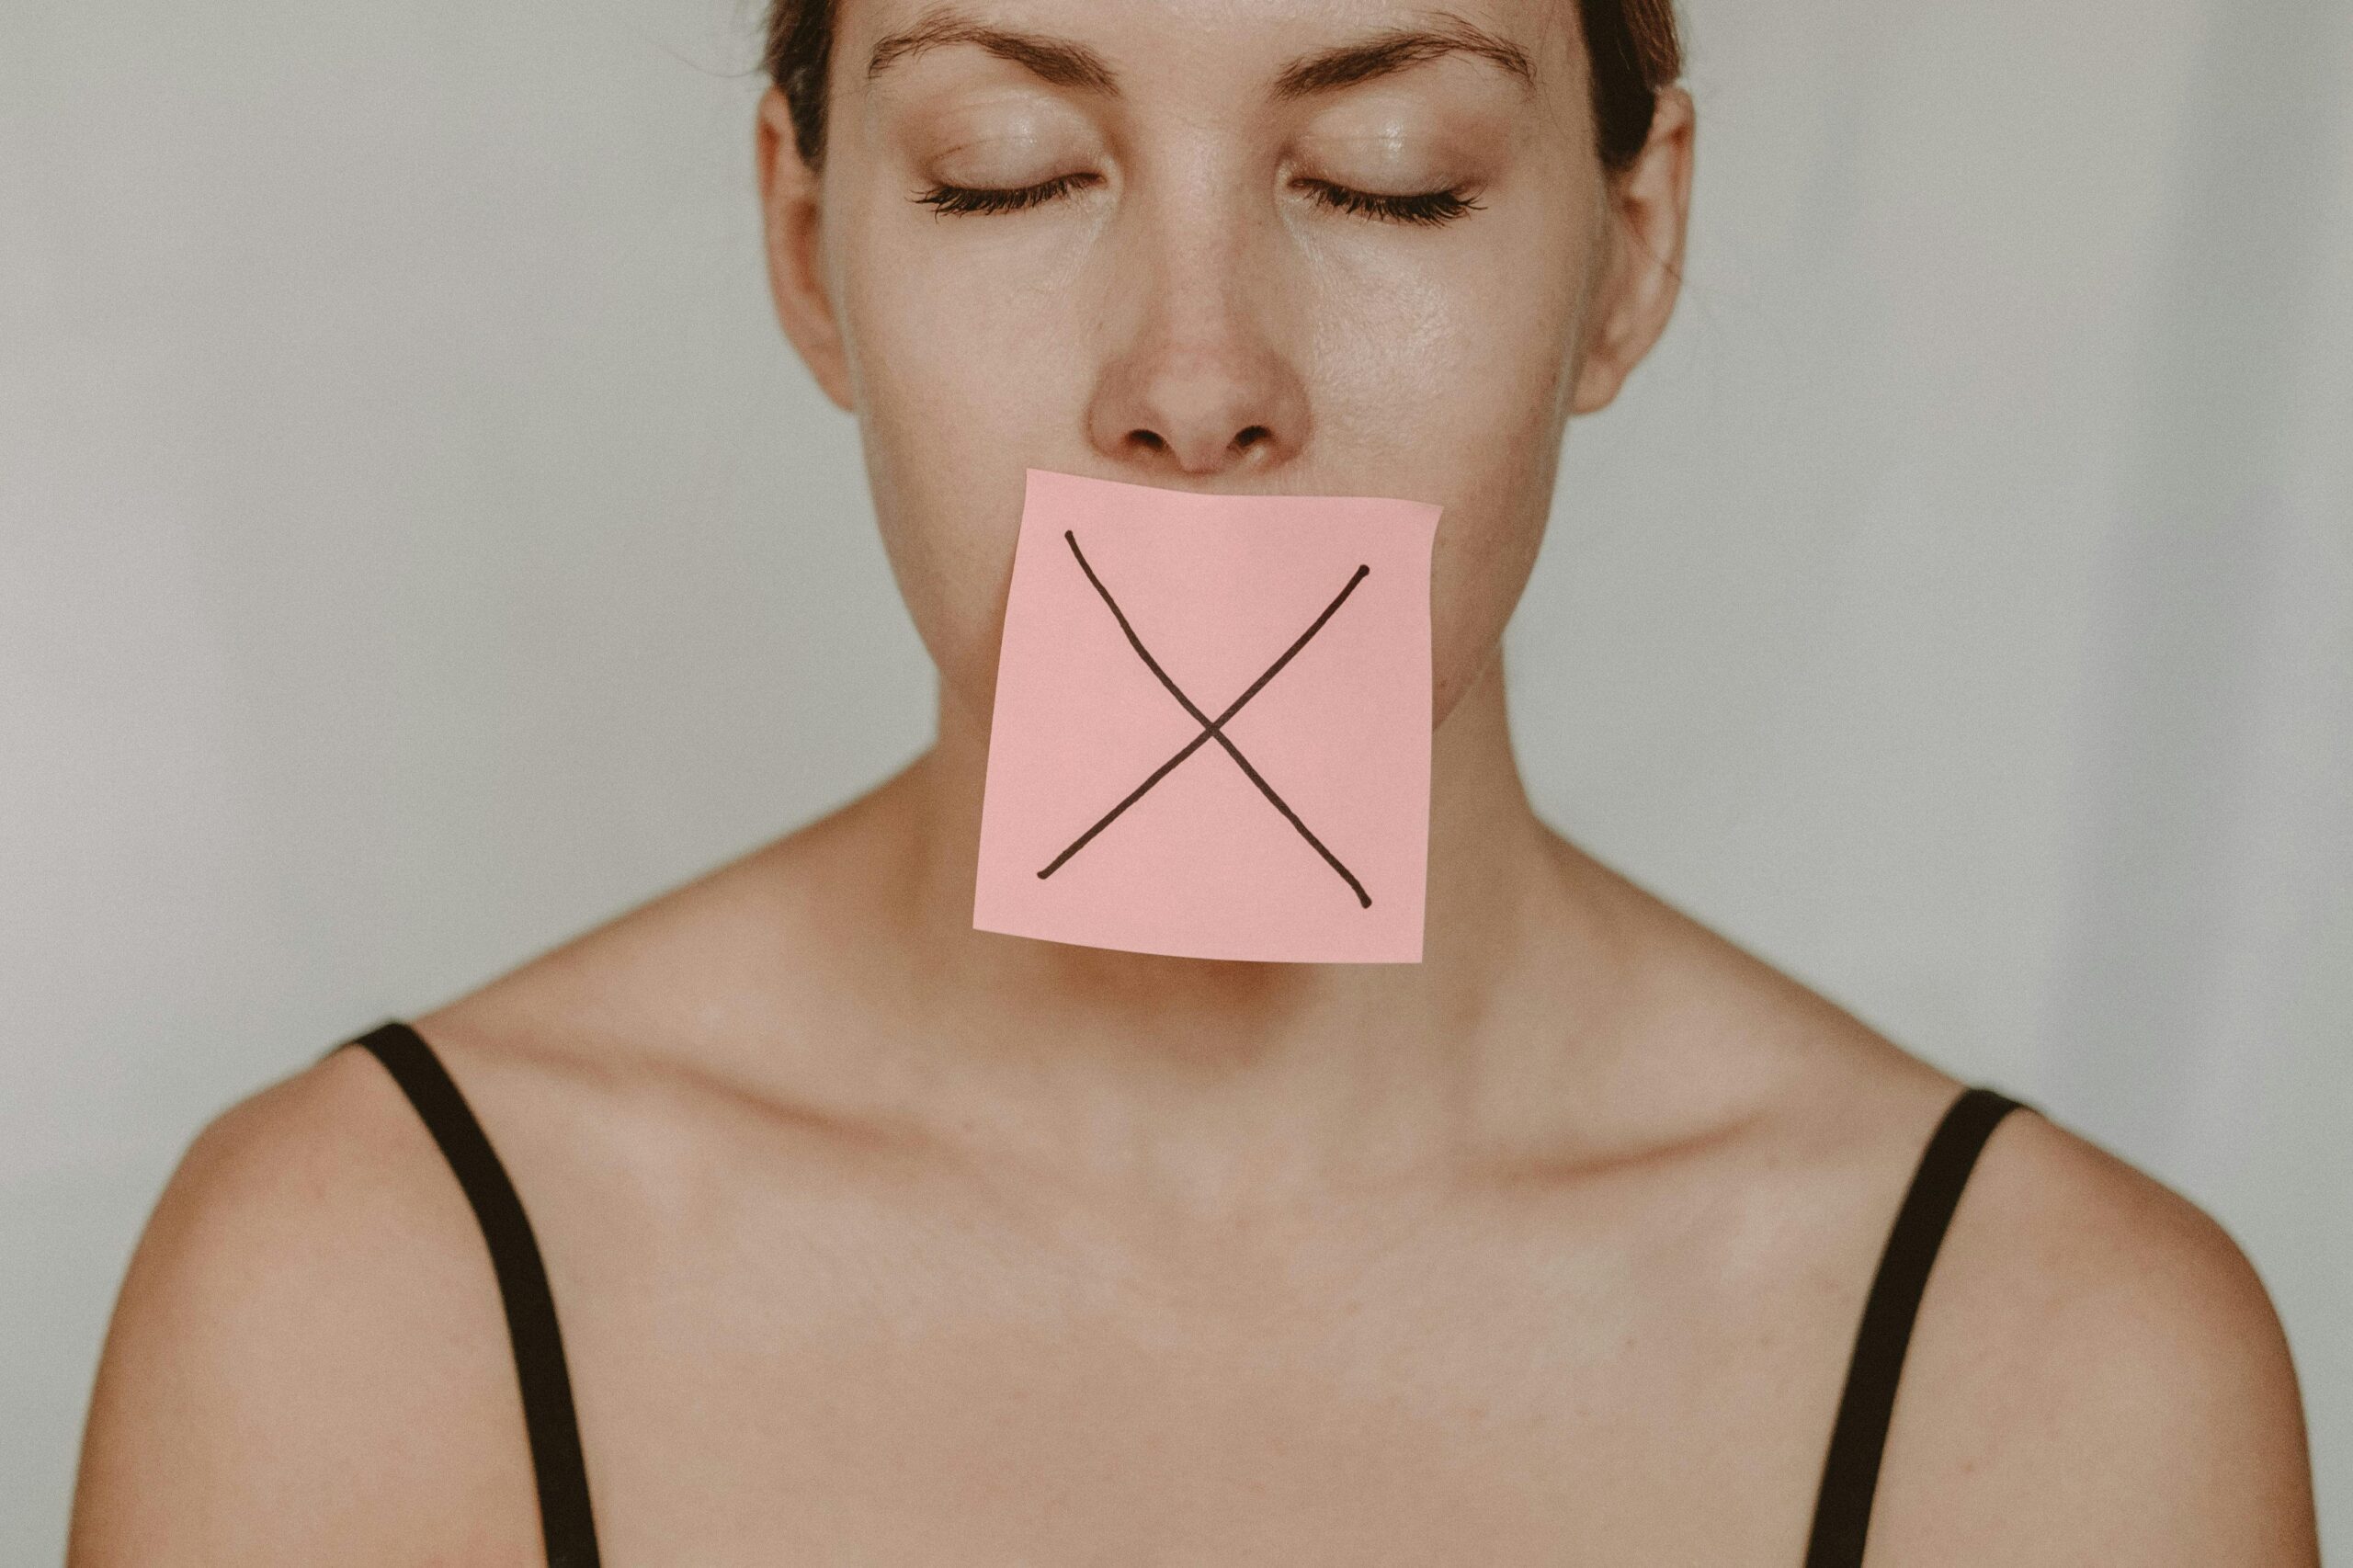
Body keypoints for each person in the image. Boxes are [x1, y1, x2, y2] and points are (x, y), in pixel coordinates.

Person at [68, 0, 2320, 1562]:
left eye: (1386, 178)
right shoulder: (360, 1297)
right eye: (1006, 172)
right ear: (806, 246)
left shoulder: (2058, 1378)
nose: (1196, 373)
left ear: (1626, 251)